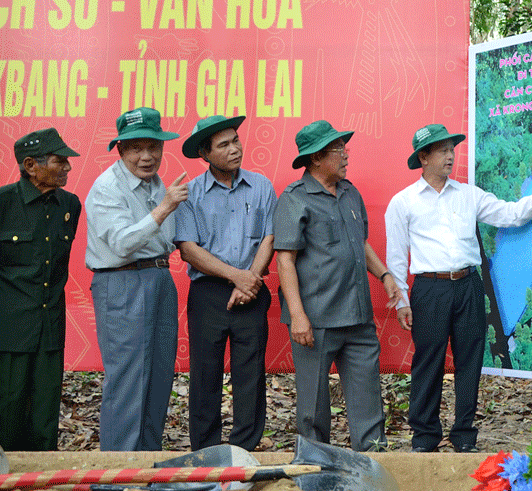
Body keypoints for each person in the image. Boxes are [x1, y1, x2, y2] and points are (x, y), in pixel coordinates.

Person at [385, 124, 532, 453]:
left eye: (451, 149)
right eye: (442, 150)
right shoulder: (403, 203)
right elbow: (396, 257)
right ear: (423, 157)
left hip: (468, 286)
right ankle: (424, 437)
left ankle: (463, 436)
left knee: (469, 361)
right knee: (428, 362)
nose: (450, 155)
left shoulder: (469, 195)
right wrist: (402, 300)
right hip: (429, 290)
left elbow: (511, 214)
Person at [273, 120, 401, 452]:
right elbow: (284, 260)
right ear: (315, 158)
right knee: (313, 411)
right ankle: (315, 473)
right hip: (315, 321)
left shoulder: (350, 192)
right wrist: (298, 316)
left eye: (344, 148)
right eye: (338, 150)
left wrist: (385, 276)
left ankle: (373, 471)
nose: (346, 155)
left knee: (369, 406)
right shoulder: (294, 199)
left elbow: (361, 244)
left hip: (358, 319)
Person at [85, 107, 187, 451]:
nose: (146, 156)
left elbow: (168, 240)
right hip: (122, 282)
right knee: (128, 380)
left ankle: (145, 469)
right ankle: (116, 475)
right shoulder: (107, 187)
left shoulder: (158, 184)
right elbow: (123, 243)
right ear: (120, 150)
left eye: (153, 147)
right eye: (135, 148)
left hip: (158, 278)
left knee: (159, 378)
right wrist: (163, 209)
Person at [174, 115, 276, 451]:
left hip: (252, 290)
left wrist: (250, 280)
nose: (235, 148)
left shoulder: (261, 186)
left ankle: (245, 449)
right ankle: (206, 451)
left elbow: (269, 236)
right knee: (206, 376)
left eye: (236, 140)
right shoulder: (190, 194)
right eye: (224, 144)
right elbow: (189, 250)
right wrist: (237, 277)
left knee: (250, 375)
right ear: (205, 153)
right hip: (209, 293)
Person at [0, 128, 81, 451]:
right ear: (31, 165)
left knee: (45, 413)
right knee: (8, 407)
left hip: (50, 328)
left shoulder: (69, 205)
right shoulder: (4, 203)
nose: (68, 168)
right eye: (60, 161)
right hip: (10, 332)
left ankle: (43, 480)